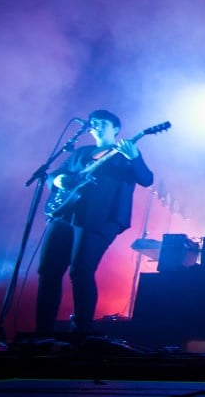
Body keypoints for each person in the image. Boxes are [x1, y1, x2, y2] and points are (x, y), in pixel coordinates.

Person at [35, 109, 154, 338]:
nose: (95, 125)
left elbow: (146, 179)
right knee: (48, 271)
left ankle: (83, 330)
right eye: (93, 122)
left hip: (100, 219)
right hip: (65, 214)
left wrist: (135, 158)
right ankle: (43, 332)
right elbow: (55, 174)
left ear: (115, 129)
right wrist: (57, 180)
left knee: (81, 271)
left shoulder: (123, 154)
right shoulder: (81, 152)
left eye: (102, 122)